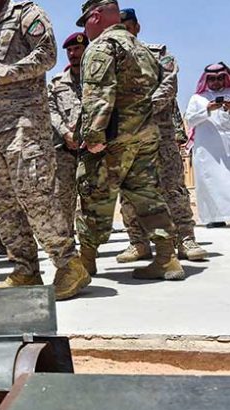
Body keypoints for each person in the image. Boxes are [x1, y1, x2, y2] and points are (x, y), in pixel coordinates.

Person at [0, 0, 90, 300]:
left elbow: (47, 54)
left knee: (36, 196)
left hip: (24, 125)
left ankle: (69, 265)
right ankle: (26, 269)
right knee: (4, 205)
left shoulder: (26, 14)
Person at [75, 0, 185, 281]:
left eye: (85, 23)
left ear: (95, 16)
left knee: (94, 194)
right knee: (148, 194)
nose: (85, 30)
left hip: (113, 137)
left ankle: (85, 263)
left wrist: (93, 135)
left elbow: (98, 94)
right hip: (145, 135)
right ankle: (167, 258)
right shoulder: (142, 49)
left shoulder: (102, 46)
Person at [116, 8, 207, 262]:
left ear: (137, 28)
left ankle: (185, 239)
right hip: (126, 138)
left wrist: (142, 109)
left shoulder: (159, 55)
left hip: (160, 136)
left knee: (172, 188)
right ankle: (138, 242)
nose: (123, 33)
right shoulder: (110, 61)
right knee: (129, 192)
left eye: (127, 27)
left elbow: (169, 85)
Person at [48, 32, 88, 236]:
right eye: (69, 50)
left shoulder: (97, 80)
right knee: (62, 197)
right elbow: (50, 109)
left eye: (77, 49)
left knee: (89, 197)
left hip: (91, 149)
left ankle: (88, 242)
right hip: (64, 149)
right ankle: (66, 240)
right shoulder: (57, 83)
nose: (73, 54)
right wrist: (65, 133)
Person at [185, 63, 230, 227]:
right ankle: (214, 218)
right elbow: (190, 120)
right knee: (210, 182)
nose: (216, 82)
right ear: (206, 80)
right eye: (212, 79)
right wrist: (207, 109)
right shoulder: (197, 98)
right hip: (207, 149)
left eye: (220, 78)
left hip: (227, 143)